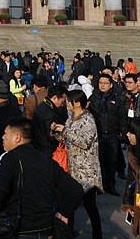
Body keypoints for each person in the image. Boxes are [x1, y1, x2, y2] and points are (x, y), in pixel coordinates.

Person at [0, 117, 83, 238]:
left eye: (5, 133)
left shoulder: (9, 158)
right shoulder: (46, 161)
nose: (3, 137)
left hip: (18, 229)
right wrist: (64, 213)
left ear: (17, 137)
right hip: (45, 229)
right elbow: (75, 190)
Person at [53, 89, 102, 239]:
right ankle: (68, 233)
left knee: (90, 206)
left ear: (77, 103)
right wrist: (56, 131)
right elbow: (67, 138)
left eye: (69, 101)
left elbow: (84, 142)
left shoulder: (88, 120)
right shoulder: (71, 117)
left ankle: (97, 235)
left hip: (87, 171)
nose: (67, 103)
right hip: (73, 168)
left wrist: (65, 130)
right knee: (71, 204)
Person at [90, 73, 125, 195]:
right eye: (101, 83)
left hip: (112, 134)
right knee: (99, 160)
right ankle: (100, 185)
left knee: (111, 160)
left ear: (111, 85)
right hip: (98, 133)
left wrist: (122, 132)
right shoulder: (93, 98)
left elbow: (121, 116)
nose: (103, 85)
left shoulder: (117, 99)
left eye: (105, 83)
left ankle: (110, 184)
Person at [31, 83, 67, 157]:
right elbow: (51, 137)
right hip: (48, 150)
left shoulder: (41, 105)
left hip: (38, 146)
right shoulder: (50, 115)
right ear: (55, 98)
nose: (63, 104)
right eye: (62, 101)